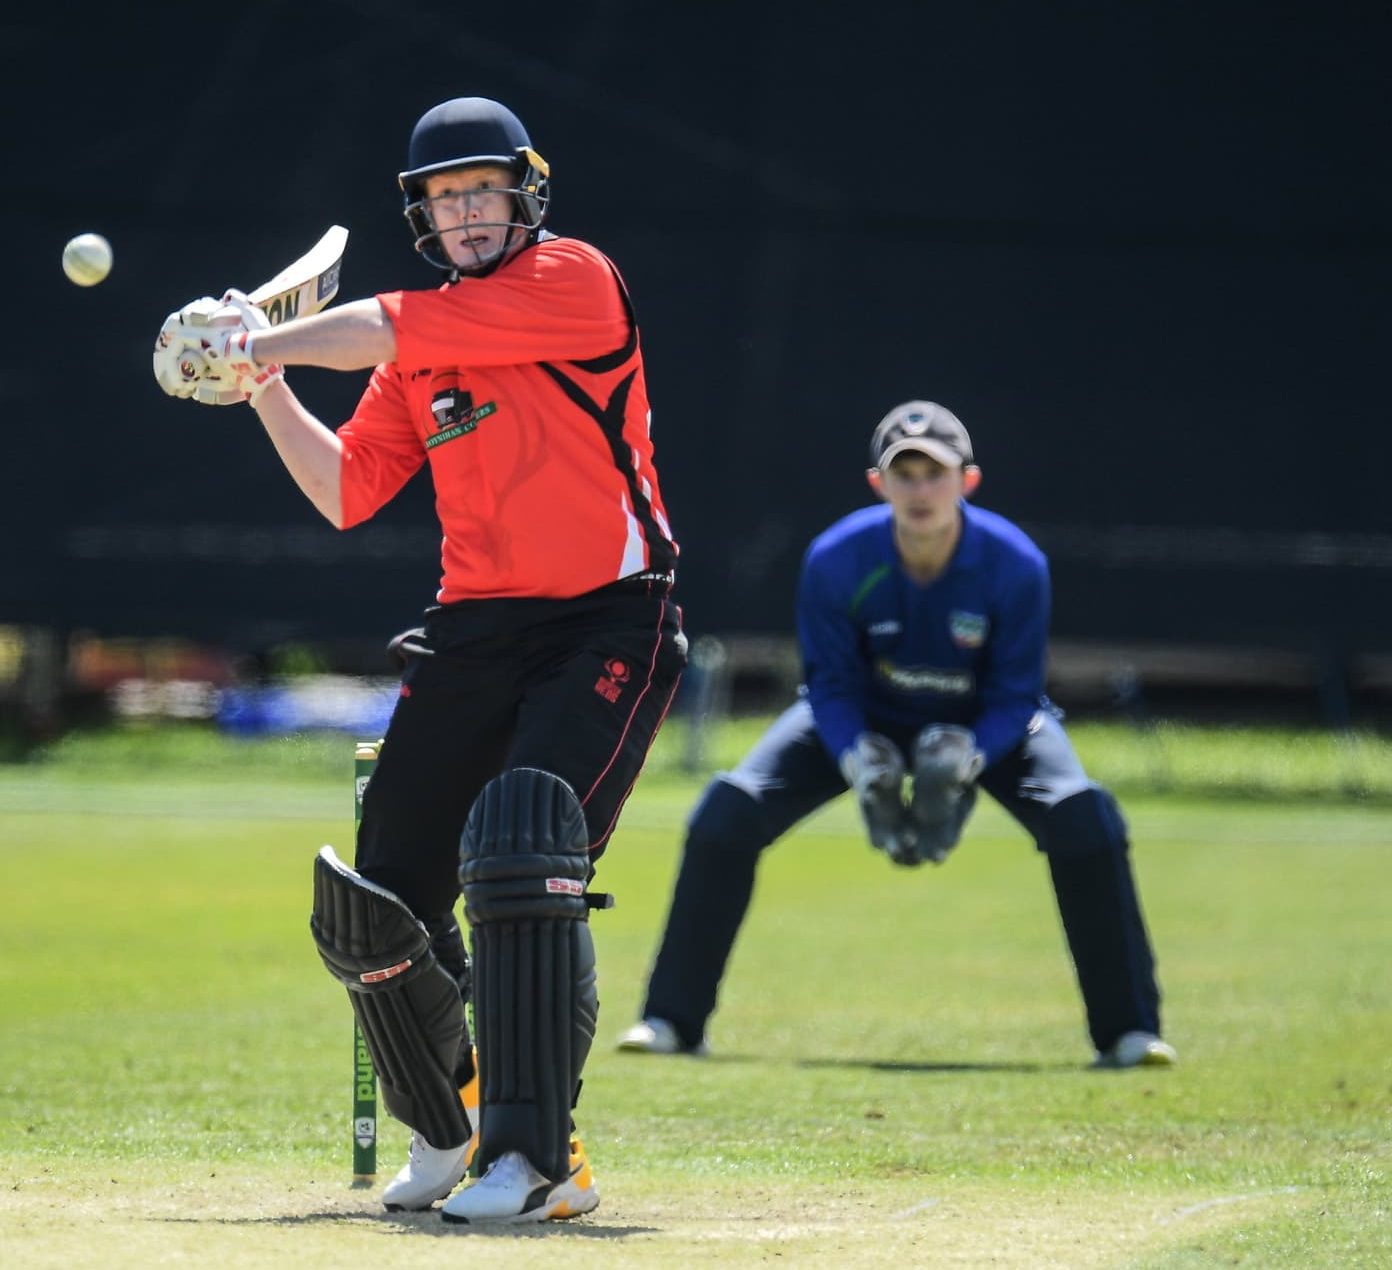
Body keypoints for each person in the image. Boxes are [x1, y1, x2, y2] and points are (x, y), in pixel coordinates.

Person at [153, 97, 685, 1223]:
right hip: (472, 632)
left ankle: (541, 1162)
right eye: (444, 199)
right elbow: (348, 489)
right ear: (424, 218)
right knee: (375, 897)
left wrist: (259, 334)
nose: (466, 212)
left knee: (525, 841)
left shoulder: (573, 281)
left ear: (524, 195)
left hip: (608, 619)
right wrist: (264, 386)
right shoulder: (424, 349)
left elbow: (379, 327)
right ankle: (451, 1128)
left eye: (481, 190)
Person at [617, 401, 1172, 1071]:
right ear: (878, 484)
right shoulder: (837, 558)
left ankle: (1128, 1032)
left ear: (967, 481)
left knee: (1086, 818)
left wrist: (970, 754)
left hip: (982, 724)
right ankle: (671, 1020)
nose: (920, 489)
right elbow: (829, 685)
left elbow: (1016, 693)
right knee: (726, 810)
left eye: (934, 473)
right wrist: (854, 754)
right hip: (864, 720)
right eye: (903, 473)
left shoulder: (1015, 564)